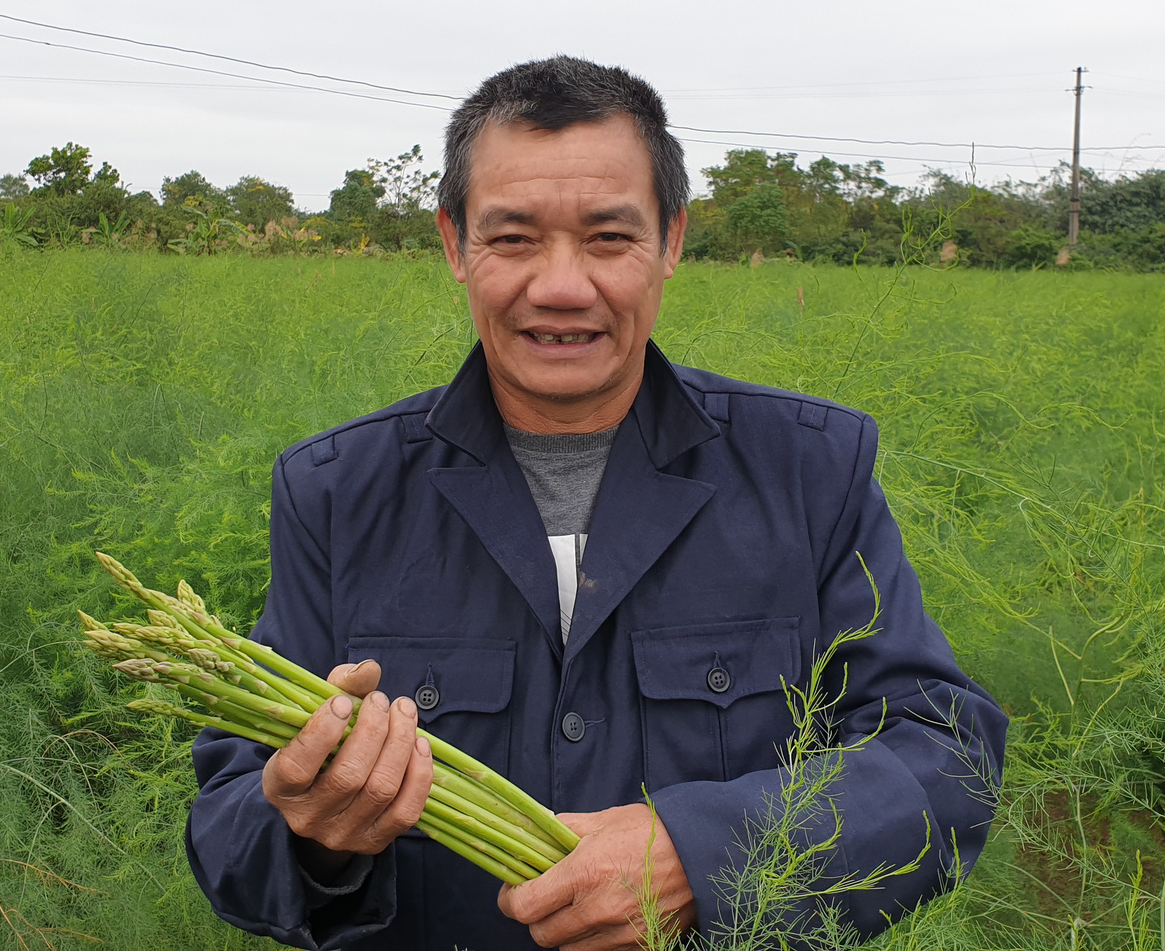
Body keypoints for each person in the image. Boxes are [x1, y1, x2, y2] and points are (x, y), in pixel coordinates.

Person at [186, 56, 1006, 951]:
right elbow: (232, 823)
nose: (561, 285)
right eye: (513, 238)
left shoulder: (811, 469)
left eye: (609, 237)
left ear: (671, 240)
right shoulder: (337, 491)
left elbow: (943, 753)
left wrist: (703, 854)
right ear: (455, 244)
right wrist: (312, 833)